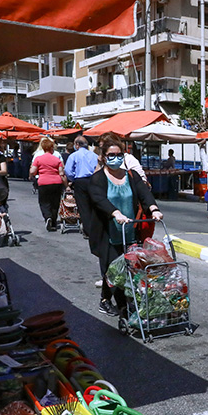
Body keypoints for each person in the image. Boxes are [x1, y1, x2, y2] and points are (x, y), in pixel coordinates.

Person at [87, 135, 162, 317]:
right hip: (108, 232)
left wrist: (154, 209)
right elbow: (99, 199)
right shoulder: (97, 179)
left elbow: (144, 193)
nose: (115, 158)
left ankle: (115, 301)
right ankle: (119, 305)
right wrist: (115, 213)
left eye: (119, 154)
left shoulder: (131, 175)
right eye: (111, 155)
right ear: (104, 157)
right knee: (113, 269)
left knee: (127, 267)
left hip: (129, 230)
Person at [65, 136, 100, 237]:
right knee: (93, 205)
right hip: (93, 181)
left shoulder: (74, 156)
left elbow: (68, 171)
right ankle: (95, 228)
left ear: (77, 145)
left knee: (83, 207)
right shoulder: (94, 155)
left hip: (80, 181)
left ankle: (88, 231)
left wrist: (72, 179)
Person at [30, 137, 67, 231]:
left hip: (43, 182)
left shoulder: (38, 158)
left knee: (44, 201)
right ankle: (54, 222)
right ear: (52, 148)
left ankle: (47, 217)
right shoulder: (57, 159)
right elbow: (61, 173)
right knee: (55, 202)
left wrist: (32, 175)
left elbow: (33, 171)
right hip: (56, 182)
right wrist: (66, 185)